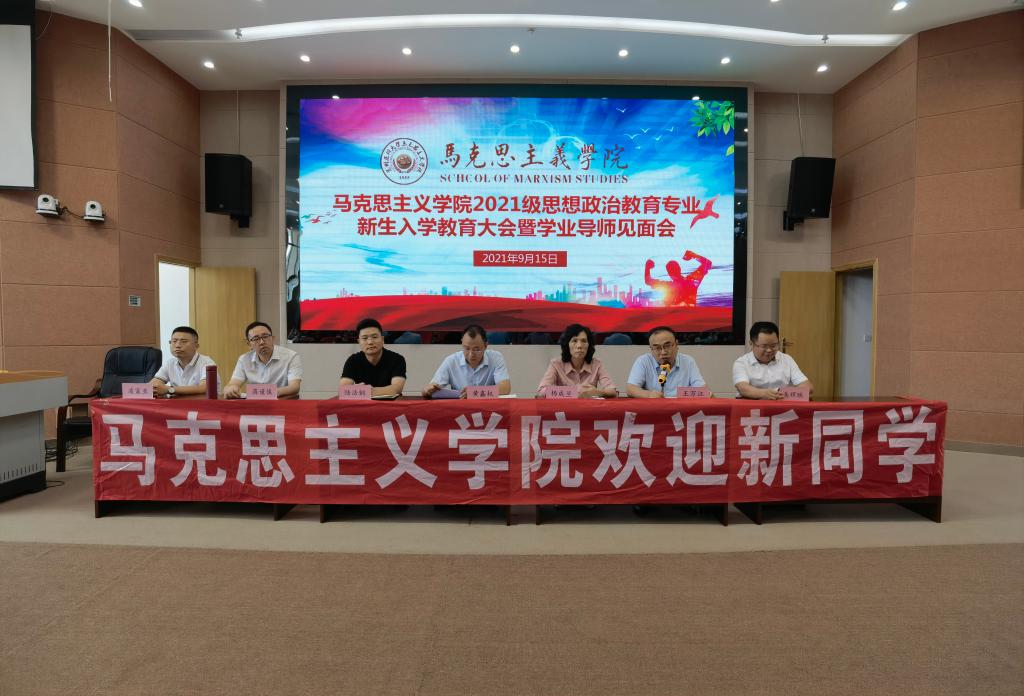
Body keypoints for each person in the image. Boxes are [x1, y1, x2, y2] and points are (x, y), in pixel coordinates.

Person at [422, 324, 511, 398]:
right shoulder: (452, 361)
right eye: (467, 348)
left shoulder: (495, 358)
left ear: (485, 346)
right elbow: (433, 387)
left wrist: (474, 393)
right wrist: (427, 390)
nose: (471, 354)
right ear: (462, 343)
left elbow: (505, 388)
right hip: (460, 409)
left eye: (477, 349)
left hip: (487, 409)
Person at [733, 321, 813, 399]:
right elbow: (742, 388)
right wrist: (763, 394)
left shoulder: (787, 359)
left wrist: (786, 394)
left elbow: (807, 387)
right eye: (764, 346)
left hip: (782, 403)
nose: (769, 350)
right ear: (751, 344)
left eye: (773, 346)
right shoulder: (741, 363)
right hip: (752, 404)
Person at [223, 321, 302, 399]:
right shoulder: (244, 359)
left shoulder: (291, 356)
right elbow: (233, 383)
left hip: (282, 402)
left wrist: (267, 394)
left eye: (265, 336)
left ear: (273, 338)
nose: (262, 342)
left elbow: (294, 387)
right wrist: (231, 389)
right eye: (256, 339)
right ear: (249, 344)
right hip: (255, 404)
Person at [537, 324, 617, 398]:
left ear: (589, 345)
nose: (579, 346)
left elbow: (613, 392)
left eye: (584, 341)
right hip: (564, 408)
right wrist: (576, 392)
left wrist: (597, 392)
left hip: (588, 408)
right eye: (574, 341)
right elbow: (541, 392)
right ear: (567, 345)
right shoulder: (556, 364)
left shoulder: (597, 364)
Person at [626, 326, 706, 398]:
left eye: (667, 346)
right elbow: (631, 389)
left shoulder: (688, 361)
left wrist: (680, 393)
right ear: (651, 349)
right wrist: (649, 395)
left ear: (676, 345)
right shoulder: (643, 361)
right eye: (657, 348)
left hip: (680, 408)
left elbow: (704, 391)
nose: (663, 352)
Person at [339, 318, 406, 397]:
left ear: (382, 339)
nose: (370, 342)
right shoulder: (353, 360)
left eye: (374, 337)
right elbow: (343, 390)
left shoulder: (397, 359)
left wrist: (365, 391)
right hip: (362, 404)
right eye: (364, 338)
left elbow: (397, 389)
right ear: (359, 342)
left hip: (390, 403)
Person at [149, 326, 217, 398]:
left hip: (201, 404)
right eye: (174, 341)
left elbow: (205, 388)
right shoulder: (170, 363)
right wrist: (155, 388)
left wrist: (169, 389)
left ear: (196, 346)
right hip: (177, 404)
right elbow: (153, 384)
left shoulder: (206, 362)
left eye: (184, 341)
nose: (177, 345)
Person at [644, 249, 712, 307]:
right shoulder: (692, 280)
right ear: (679, 269)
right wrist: (693, 255)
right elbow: (708, 263)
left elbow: (648, 281)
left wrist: (647, 267)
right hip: (690, 314)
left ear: (669, 274)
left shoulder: (668, 286)